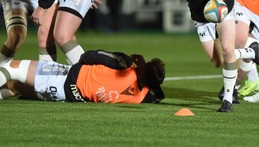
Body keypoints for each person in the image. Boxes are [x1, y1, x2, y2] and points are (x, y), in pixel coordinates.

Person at [0, 49, 165, 104]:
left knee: (12, 68)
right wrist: (144, 67)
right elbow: (157, 94)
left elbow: (88, 56)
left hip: (64, 77)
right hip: (63, 96)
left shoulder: (124, 64)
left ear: (143, 70)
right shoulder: (142, 97)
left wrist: (133, 61)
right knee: (15, 87)